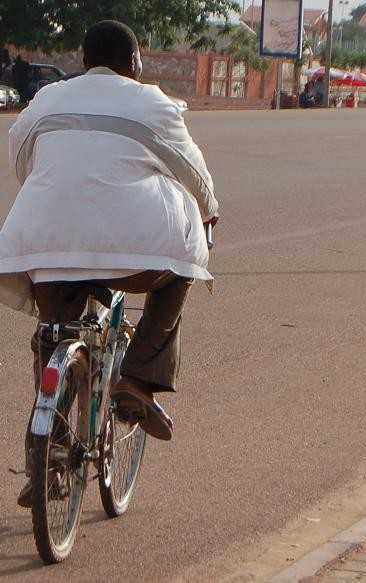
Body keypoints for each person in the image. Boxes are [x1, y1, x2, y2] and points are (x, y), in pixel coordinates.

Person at [1, 20, 219, 507]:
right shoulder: (153, 102)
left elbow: (22, 158)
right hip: (133, 254)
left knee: (54, 336)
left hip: (48, 244)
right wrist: (209, 215)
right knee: (182, 268)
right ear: (135, 63)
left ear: (83, 59)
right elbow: (194, 173)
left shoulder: (48, 98)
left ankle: (48, 461)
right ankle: (138, 381)